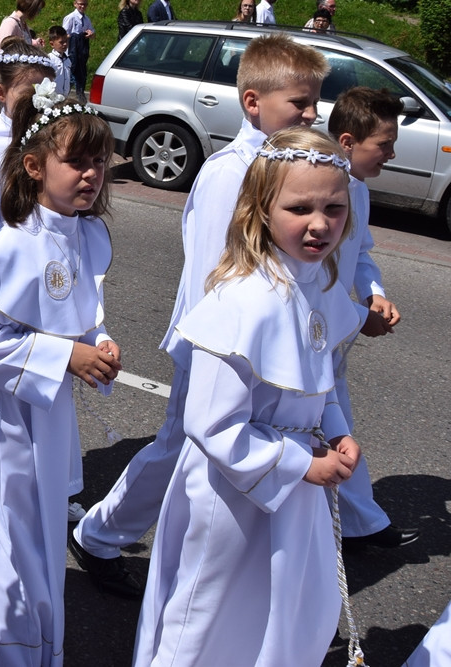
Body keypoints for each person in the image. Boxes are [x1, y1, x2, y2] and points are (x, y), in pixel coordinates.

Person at [70, 33, 328, 599]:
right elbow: (219, 270)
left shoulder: (283, 165)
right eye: (300, 103)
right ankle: (102, 533)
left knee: (200, 448)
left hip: (259, 338)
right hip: (221, 342)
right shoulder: (230, 173)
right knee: (185, 445)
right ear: (254, 103)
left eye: (314, 101)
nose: (312, 113)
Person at [133, 126, 362, 666]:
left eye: (334, 207)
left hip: (297, 480)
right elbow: (213, 426)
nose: (320, 223)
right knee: (209, 614)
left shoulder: (321, 287)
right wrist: (299, 460)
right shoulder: (242, 301)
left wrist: (338, 429)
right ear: (261, 208)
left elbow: (316, 379)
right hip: (233, 493)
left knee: (280, 607)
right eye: (300, 207)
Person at [0, 80, 119, 666]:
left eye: (99, 163)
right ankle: (7, 641)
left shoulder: (89, 236)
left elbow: (87, 311)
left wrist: (101, 343)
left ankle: (24, 630)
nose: (90, 175)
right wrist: (63, 356)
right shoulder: (10, 247)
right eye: (76, 163)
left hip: (45, 409)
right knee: (7, 525)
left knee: (35, 525)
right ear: (35, 167)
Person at [327, 86, 420, 549]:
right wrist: (356, 317)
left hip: (338, 330)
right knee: (326, 427)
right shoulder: (318, 191)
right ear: (347, 141)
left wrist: (375, 295)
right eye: (383, 143)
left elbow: (360, 253)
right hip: (316, 332)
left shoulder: (358, 191)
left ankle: (360, 522)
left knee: (338, 423)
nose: (392, 152)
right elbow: (307, 279)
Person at [0, 39, 55, 194]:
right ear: (0, 93)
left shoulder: (55, 132)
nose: (41, 101)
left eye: (48, 92)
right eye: (29, 92)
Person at [63, 0, 94, 103]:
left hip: (81, 53)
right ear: (75, 4)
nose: (82, 6)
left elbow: (93, 34)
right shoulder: (71, 17)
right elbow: (64, 35)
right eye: (80, 4)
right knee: (71, 76)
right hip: (72, 52)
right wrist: (76, 36)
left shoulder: (86, 19)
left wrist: (90, 34)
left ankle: (80, 98)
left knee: (80, 76)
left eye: (84, 4)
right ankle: (64, 97)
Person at [46, 27, 71, 97]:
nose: (65, 44)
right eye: (61, 42)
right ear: (52, 44)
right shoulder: (49, 60)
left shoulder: (67, 60)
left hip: (65, 96)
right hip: (53, 97)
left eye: (66, 41)